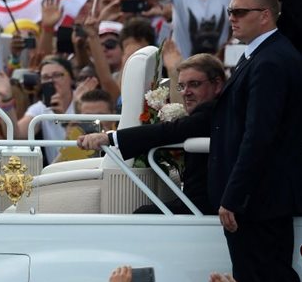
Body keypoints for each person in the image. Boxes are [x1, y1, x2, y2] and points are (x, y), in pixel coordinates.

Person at [211, 0, 302, 282]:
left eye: (240, 12)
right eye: (230, 12)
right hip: (268, 196)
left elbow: (259, 135)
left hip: (259, 199)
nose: (233, 19)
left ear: (266, 15)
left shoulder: (270, 59)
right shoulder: (265, 53)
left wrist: (234, 195)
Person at [79, 53, 226, 214]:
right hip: (201, 202)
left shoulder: (212, 111)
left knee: (142, 215)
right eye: (181, 86)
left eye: (194, 84)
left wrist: (109, 137)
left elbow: (173, 131)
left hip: (207, 207)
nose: (185, 92)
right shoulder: (214, 110)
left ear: (217, 85)